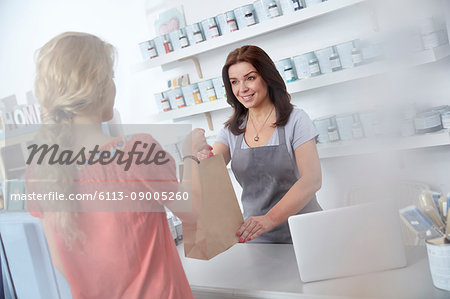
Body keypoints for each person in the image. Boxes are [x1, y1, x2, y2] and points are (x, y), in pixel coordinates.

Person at [27, 32, 206, 299]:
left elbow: (61, 262)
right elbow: (192, 212)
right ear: (97, 86)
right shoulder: (137, 152)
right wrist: (190, 155)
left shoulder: (40, 170)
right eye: (111, 76)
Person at [197, 45, 322, 244]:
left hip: (306, 233)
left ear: (267, 77)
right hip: (257, 237)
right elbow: (210, 171)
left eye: (250, 78)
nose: (242, 88)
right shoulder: (231, 130)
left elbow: (312, 180)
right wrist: (201, 155)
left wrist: (269, 220)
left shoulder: (296, 120)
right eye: (234, 82)